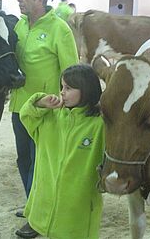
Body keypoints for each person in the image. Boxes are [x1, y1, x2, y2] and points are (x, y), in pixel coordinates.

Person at [9, 0, 79, 211]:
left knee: (40, 163)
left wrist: (68, 106)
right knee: (24, 160)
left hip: (46, 110)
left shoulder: (60, 29)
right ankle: (33, 204)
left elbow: (72, 72)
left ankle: (37, 213)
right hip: (19, 107)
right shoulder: (18, 26)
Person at [15, 64, 105, 239]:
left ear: (86, 90)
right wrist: (40, 101)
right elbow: (26, 114)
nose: (62, 92)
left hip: (78, 211)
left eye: (69, 88)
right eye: (62, 87)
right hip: (45, 204)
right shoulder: (50, 117)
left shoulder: (99, 125)